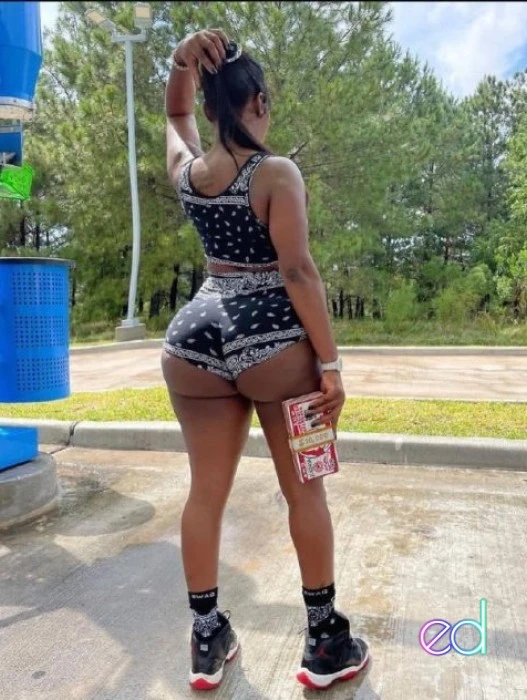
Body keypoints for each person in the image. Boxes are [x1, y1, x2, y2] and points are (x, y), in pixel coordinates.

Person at [161, 28, 370, 691]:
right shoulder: (276, 173)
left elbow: (173, 114)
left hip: (193, 340)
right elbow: (298, 271)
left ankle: (205, 638)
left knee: (205, 493)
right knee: (304, 489)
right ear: (257, 102)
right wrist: (330, 364)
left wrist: (180, 62)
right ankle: (325, 641)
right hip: (276, 346)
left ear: (211, 107)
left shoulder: (190, 174)